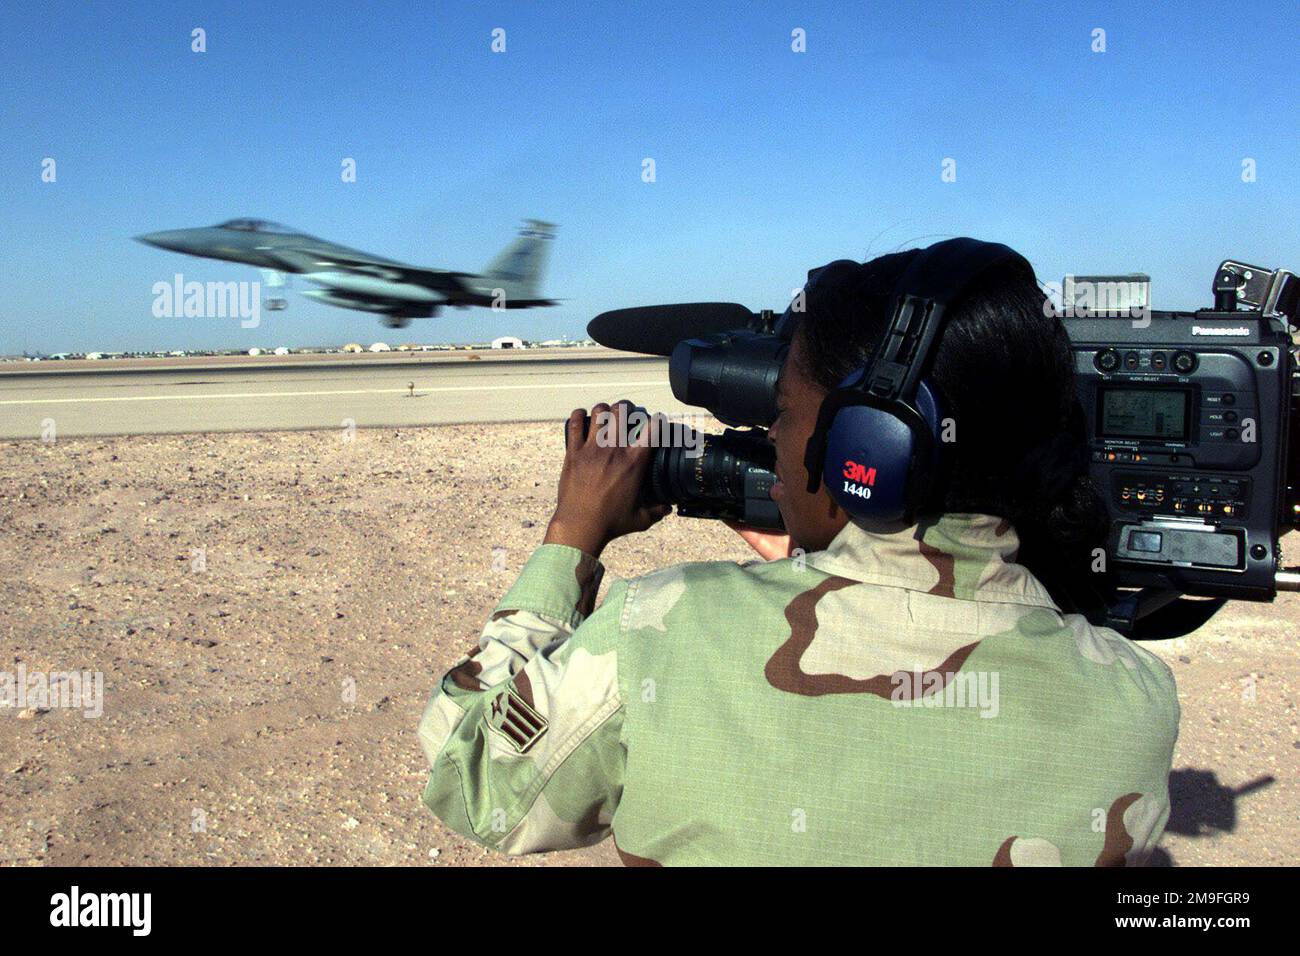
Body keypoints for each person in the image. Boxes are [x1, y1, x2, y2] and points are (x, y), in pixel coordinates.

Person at [416, 246, 1180, 866]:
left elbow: (473, 780)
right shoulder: (1137, 701)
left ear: (867, 449)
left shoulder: (664, 631)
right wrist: (820, 563)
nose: (774, 446)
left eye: (783, 414)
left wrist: (571, 537)